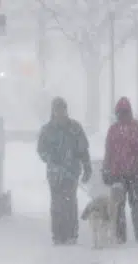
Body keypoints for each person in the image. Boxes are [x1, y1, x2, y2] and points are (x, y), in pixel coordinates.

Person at [37, 97, 92, 245]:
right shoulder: (47, 130)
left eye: (62, 109)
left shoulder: (75, 128)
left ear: (66, 110)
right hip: (54, 173)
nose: (60, 112)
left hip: (71, 172)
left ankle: (71, 234)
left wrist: (87, 167)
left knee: (70, 202)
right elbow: (41, 150)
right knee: (57, 204)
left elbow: (83, 149)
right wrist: (50, 157)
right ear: (53, 111)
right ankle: (58, 234)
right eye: (57, 109)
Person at [103, 97, 138, 244]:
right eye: (121, 112)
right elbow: (108, 151)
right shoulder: (114, 130)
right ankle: (120, 236)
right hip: (118, 175)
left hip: (136, 174)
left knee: (136, 204)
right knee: (119, 207)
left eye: (125, 112)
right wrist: (106, 168)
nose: (123, 115)